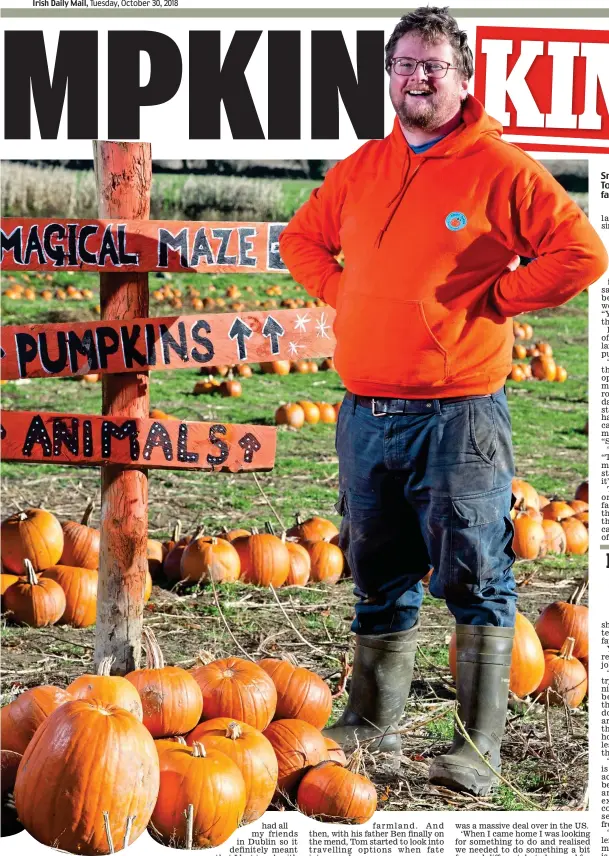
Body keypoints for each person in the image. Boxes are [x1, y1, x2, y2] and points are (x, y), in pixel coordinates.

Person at [279, 6, 607, 796]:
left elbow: (580, 251)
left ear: (463, 80)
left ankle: (475, 747)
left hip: (456, 415)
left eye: (432, 65)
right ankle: (368, 719)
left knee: (475, 574)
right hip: (364, 411)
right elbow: (301, 241)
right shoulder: (363, 166)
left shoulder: (500, 169)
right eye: (401, 64)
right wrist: (347, 294)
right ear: (387, 76)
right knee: (376, 568)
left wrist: (497, 297)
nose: (414, 78)